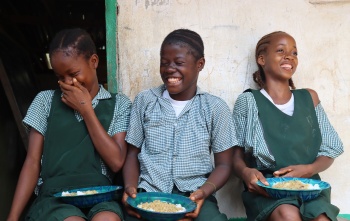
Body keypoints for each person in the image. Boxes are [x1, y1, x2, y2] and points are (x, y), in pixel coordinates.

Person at [7, 28, 131, 221]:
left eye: (73, 74)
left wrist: (86, 109)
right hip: (55, 198)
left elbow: (116, 162)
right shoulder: (45, 101)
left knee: (108, 219)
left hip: (101, 196)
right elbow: (32, 162)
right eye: (60, 77)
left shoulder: (119, 104)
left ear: (94, 62)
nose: (67, 83)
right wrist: (13, 217)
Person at [122, 29, 236, 221]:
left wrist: (203, 193)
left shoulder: (215, 108)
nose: (169, 69)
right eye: (164, 63)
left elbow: (224, 165)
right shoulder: (145, 101)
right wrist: (130, 189)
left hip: (193, 195)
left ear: (200, 64)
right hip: (149, 193)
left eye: (179, 63)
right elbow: (132, 153)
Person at [232, 31, 344, 221]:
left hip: (308, 187)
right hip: (268, 190)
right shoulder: (249, 101)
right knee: (288, 215)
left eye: (294, 53)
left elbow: (330, 148)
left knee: (322, 218)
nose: (289, 57)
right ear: (261, 59)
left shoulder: (309, 98)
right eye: (280, 50)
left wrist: (309, 169)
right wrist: (246, 172)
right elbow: (236, 155)